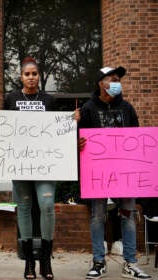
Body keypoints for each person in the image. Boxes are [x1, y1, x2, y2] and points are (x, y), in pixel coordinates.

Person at [0, 56, 70, 280]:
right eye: (27, 74)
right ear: (21, 77)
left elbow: (59, 131)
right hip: (19, 163)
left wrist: (73, 122)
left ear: (38, 76)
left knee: (47, 204)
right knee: (23, 208)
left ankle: (45, 260)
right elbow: (3, 130)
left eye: (34, 74)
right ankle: (29, 263)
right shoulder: (11, 98)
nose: (31, 77)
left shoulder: (49, 100)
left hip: (45, 164)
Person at [79, 66, 152, 280]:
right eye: (112, 79)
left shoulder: (127, 108)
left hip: (125, 173)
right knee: (97, 217)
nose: (117, 82)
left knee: (128, 217)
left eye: (118, 79)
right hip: (97, 174)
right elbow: (76, 142)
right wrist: (78, 142)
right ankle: (98, 262)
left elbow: (137, 139)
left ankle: (130, 263)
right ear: (100, 83)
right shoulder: (88, 109)